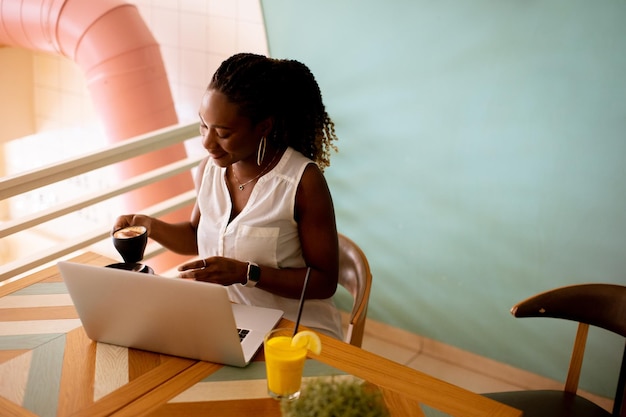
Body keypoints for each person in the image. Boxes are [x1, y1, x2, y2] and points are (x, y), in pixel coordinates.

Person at [113, 53, 343, 340]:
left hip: (295, 331)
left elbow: (324, 282)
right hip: (231, 323)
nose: (208, 143)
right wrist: (150, 226)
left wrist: (248, 273)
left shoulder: (302, 182)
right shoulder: (209, 171)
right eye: (203, 126)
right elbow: (198, 235)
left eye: (223, 133)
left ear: (264, 127)